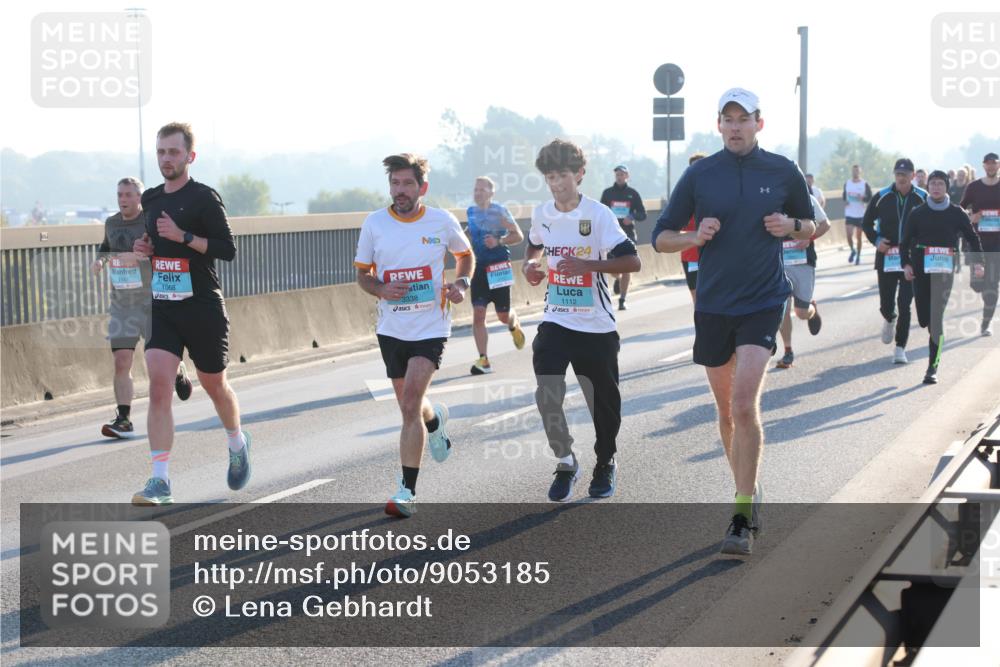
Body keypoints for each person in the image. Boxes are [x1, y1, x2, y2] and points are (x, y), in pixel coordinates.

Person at [652, 88, 816, 555]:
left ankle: (742, 516)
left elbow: (810, 225)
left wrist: (791, 226)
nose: (736, 126)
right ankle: (749, 487)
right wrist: (693, 236)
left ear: (759, 123)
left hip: (763, 301)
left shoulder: (782, 170)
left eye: (744, 119)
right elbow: (660, 237)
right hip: (713, 305)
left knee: (744, 405)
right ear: (719, 125)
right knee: (726, 412)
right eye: (729, 119)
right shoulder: (700, 174)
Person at [130, 122, 248, 505]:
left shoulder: (204, 198)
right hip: (163, 306)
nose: (166, 159)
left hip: (202, 307)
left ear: (190, 156)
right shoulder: (151, 199)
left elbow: (227, 249)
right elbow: (153, 241)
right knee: (158, 387)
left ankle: (237, 442)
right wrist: (146, 247)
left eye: (174, 152)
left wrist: (184, 236)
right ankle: (160, 481)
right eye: (161, 152)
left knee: (215, 385)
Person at [354, 153, 473, 517]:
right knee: (412, 403)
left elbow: (465, 255)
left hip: (430, 327)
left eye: (407, 183)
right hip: (392, 329)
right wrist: (380, 289)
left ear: (423, 187)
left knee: (408, 406)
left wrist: (462, 283)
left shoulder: (441, 221)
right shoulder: (375, 223)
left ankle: (407, 491)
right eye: (395, 183)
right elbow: (362, 275)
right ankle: (434, 420)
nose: (400, 190)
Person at [523, 139, 640, 502]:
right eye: (550, 177)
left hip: (596, 325)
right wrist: (530, 265)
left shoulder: (599, 215)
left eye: (562, 175)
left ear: (579, 174)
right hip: (556, 320)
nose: (556, 183)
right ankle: (565, 461)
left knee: (604, 404)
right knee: (547, 393)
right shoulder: (542, 213)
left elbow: (632, 261)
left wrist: (588, 265)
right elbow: (534, 243)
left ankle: (605, 461)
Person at [91, 178, 193, 439]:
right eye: (119, 194)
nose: (122, 199)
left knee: (157, 362)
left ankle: (178, 370)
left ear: (139, 198)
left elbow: (165, 252)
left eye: (128, 195)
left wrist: (143, 256)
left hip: (151, 303)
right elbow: (106, 246)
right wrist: (100, 261)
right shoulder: (111, 223)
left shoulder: (149, 222)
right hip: (121, 304)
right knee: (121, 360)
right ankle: (124, 419)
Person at [901, 170, 984, 383]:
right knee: (924, 319)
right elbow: (905, 241)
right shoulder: (917, 213)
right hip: (921, 270)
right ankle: (930, 328)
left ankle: (932, 367)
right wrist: (906, 264)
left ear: (946, 187)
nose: (936, 187)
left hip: (945, 271)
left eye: (940, 184)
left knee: (936, 319)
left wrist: (978, 263)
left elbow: (972, 238)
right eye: (933, 184)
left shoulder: (956, 213)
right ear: (928, 187)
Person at [862, 158, 927, 365]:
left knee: (905, 303)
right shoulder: (882, 196)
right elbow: (866, 223)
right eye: (898, 174)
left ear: (913, 176)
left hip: (911, 259)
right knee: (886, 304)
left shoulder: (922, 197)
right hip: (887, 257)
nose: (901, 177)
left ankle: (900, 348)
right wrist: (876, 241)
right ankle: (889, 318)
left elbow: (931, 224)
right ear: (894, 175)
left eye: (905, 174)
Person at [466, 176, 526, 375]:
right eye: (476, 189)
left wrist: (499, 241)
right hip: (478, 268)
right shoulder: (471, 212)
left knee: (502, 316)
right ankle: (483, 360)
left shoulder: (500, 211)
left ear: (492, 193)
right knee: (478, 313)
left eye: (482, 190)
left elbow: (518, 235)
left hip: (498, 267)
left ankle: (513, 323)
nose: (478, 193)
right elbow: (470, 232)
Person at [775, 194, 831, 368]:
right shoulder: (769, 196)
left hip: (803, 262)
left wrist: (809, 238)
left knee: (801, 312)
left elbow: (825, 224)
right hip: (779, 262)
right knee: (782, 308)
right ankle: (788, 351)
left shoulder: (806, 198)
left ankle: (811, 310)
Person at [960, 152, 1000, 336]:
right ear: (983, 165)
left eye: (994, 163)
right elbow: (960, 209)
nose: (991, 166)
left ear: (998, 165)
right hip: (977, 243)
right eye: (988, 163)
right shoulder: (974, 187)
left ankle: (986, 323)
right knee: (978, 285)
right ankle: (984, 290)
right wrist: (971, 217)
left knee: (992, 284)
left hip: (997, 244)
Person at [599, 164, 647, 310]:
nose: (619, 177)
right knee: (611, 267)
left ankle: (622, 299)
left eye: (622, 174)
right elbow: (600, 212)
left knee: (627, 266)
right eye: (617, 175)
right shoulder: (607, 193)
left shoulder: (633, 193)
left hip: (628, 234)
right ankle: (618, 279)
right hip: (610, 235)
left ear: (627, 176)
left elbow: (643, 214)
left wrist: (631, 217)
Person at [679, 153, 707, 303]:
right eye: (694, 167)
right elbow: (672, 225)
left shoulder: (721, 190)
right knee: (697, 298)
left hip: (716, 253)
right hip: (691, 254)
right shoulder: (682, 193)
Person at [843, 164, 873, 265]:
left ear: (860, 172)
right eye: (853, 171)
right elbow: (844, 196)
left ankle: (858, 256)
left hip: (860, 214)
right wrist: (846, 201)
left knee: (858, 237)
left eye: (857, 171)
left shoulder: (864, 184)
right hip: (849, 213)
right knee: (848, 235)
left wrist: (863, 199)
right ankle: (853, 250)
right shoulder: (847, 183)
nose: (855, 172)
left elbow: (870, 198)